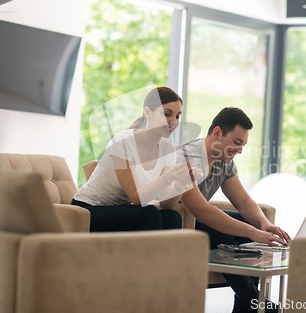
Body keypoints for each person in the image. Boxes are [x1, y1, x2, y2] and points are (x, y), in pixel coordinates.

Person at [176, 107, 291, 313]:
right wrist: (253, 232)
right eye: (237, 143)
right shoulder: (186, 157)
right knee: (224, 233)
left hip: (196, 219)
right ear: (218, 133)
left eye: (243, 145)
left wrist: (263, 224)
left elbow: (244, 201)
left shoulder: (224, 161)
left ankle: (245, 306)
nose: (240, 151)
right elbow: (200, 210)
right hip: (177, 221)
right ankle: (255, 301)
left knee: (249, 224)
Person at [72, 86, 201, 231]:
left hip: (121, 210)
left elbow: (167, 204)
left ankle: (165, 255)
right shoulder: (123, 142)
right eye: (167, 114)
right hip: (88, 209)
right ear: (147, 112)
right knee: (149, 214)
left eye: (177, 116)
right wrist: (167, 177)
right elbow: (136, 197)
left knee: (172, 216)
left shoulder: (167, 149)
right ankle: (147, 254)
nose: (174, 121)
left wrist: (181, 182)